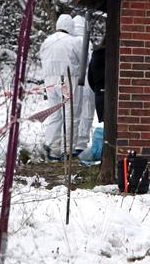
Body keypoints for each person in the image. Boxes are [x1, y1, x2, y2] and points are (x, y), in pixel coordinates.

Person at [39, 13, 81, 160]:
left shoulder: (47, 41)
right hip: (68, 79)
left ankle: (51, 148)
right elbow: (83, 61)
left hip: (49, 81)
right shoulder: (74, 42)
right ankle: (67, 150)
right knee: (70, 115)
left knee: (54, 114)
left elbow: (42, 59)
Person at [72, 15, 95, 155]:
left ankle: (72, 143)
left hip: (76, 81)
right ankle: (81, 142)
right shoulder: (88, 42)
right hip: (89, 81)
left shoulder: (71, 41)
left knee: (74, 113)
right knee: (87, 112)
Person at [87, 42, 106, 123]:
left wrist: (97, 90)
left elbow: (90, 76)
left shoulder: (96, 53)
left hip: (99, 91)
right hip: (111, 92)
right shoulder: (113, 52)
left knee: (105, 123)